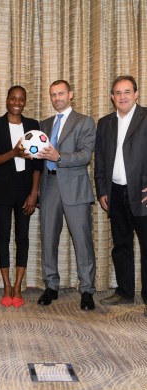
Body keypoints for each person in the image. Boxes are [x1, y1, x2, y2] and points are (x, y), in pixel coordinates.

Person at [36, 80, 96, 310]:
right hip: (49, 187)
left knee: (82, 241)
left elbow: (84, 156)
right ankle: (51, 286)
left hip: (75, 188)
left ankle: (87, 290)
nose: (57, 98)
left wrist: (58, 157)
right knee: (48, 239)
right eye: (53, 95)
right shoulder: (44, 124)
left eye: (61, 93)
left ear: (70, 94)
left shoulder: (85, 122)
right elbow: (38, 156)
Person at [0, 86, 43, 307]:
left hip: (25, 190)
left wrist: (34, 193)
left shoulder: (33, 125)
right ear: (7, 100)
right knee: (3, 237)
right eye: (13, 98)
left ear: (25, 101)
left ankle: (18, 286)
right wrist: (13, 152)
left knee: (23, 238)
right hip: (2, 189)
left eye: (21, 99)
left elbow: (38, 163)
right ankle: (7, 286)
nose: (17, 102)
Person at [95, 75, 147, 316]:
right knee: (121, 244)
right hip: (115, 192)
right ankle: (125, 292)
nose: (123, 96)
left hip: (142, 193)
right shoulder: (105, 123)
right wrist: (102, 190)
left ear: (136, 94)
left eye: (127, 91)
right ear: (112, 97)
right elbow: (101, 160)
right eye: (118, 92)